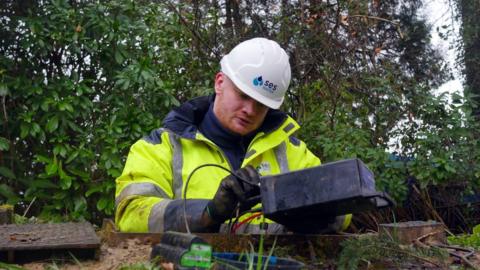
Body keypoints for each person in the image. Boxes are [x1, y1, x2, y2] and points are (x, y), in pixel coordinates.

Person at [115, 37, 350, 233]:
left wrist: (322, 217)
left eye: (260, 104)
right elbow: (131, 212)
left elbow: (343, 207)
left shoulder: (292, 151)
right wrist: (206, 213)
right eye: (243, 95)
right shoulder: (162, 146)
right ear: (219, 82)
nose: (250, 110)